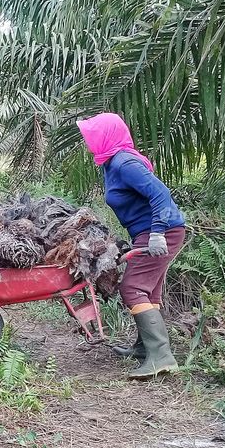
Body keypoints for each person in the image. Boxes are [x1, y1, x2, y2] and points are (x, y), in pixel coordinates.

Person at [77, 113, 187, 378]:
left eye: (92, 136)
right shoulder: (111, 163)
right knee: (149, 291)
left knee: (133, 288)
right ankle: (143, 348)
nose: (88, 141)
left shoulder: (125, 163)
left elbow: (160, 194)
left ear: (106, 136)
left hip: (162, 231)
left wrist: (158, 233)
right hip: (145, 232)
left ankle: (161, 357)